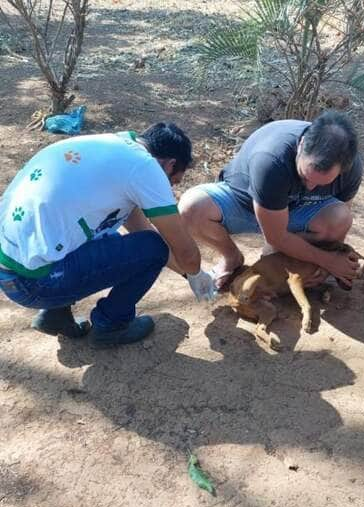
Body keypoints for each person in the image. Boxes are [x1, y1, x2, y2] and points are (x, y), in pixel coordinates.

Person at [0, 122, 215, 346]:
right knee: (153, 248)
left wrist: (187, 274)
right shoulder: (145, 167)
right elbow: (180, 251)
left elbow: (139, 228)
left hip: (10, 270)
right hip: (35, 282)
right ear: (170, 165)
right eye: (173, 180)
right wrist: (196, 272)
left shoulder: (111, 148)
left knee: (109, 238)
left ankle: (55, 315)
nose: (169, 186)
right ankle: (111, 325)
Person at [179, 110, 363, 289]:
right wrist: (328, 260)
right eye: (305, 177)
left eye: (321, 183)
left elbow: (341, 215)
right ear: (301, 145)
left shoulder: (351, 169)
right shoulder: (271, 159)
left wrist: (325, 263)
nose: (310, 187)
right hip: (245, 204)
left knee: (340, 218)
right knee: (192, 208)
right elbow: (276, 237)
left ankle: (284, 256)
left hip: (296, 211)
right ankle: (232, 257)